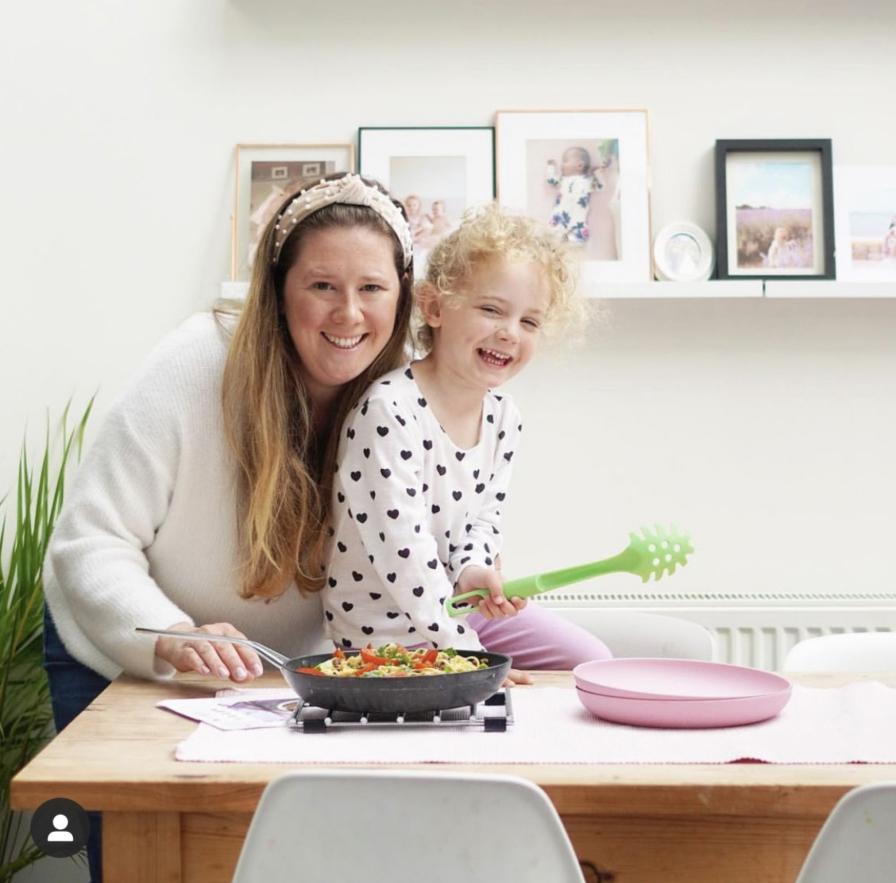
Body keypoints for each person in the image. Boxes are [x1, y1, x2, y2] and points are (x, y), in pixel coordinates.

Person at [41, 173, 607, 880]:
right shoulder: (195, 364)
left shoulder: (406, 396)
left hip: (277, 679)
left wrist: (471, 584)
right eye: (321, 286)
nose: (348, 313)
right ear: (278, 290)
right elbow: (89, 544)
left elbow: (431, 542)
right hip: (126, 656)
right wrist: (168, 632)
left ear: (407, 298)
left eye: (371, 287)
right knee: (155, 859)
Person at [323, 203, 612, 663]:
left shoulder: (503, 417)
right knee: (476, 705)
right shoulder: (388, 410)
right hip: (383, 636)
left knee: (589, 660)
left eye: (529, 321)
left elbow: (484, 519)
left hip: (457, 612)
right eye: (492, 310)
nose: (510, 334)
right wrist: (465, 653)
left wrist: (474, 570)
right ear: (435, 308)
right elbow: (405, 555)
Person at [546, 146, 605, 245]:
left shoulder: (587, 181)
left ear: (579, 165)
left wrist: (597, 173)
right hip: (560, 215)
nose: (561, 165)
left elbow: (601, 187)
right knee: (552, 233)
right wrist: (551, 167)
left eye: (565, 161)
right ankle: (556, 242)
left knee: (578, 236)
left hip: (578, 219)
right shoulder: (563, 179)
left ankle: (572, 242)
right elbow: (551, 181)